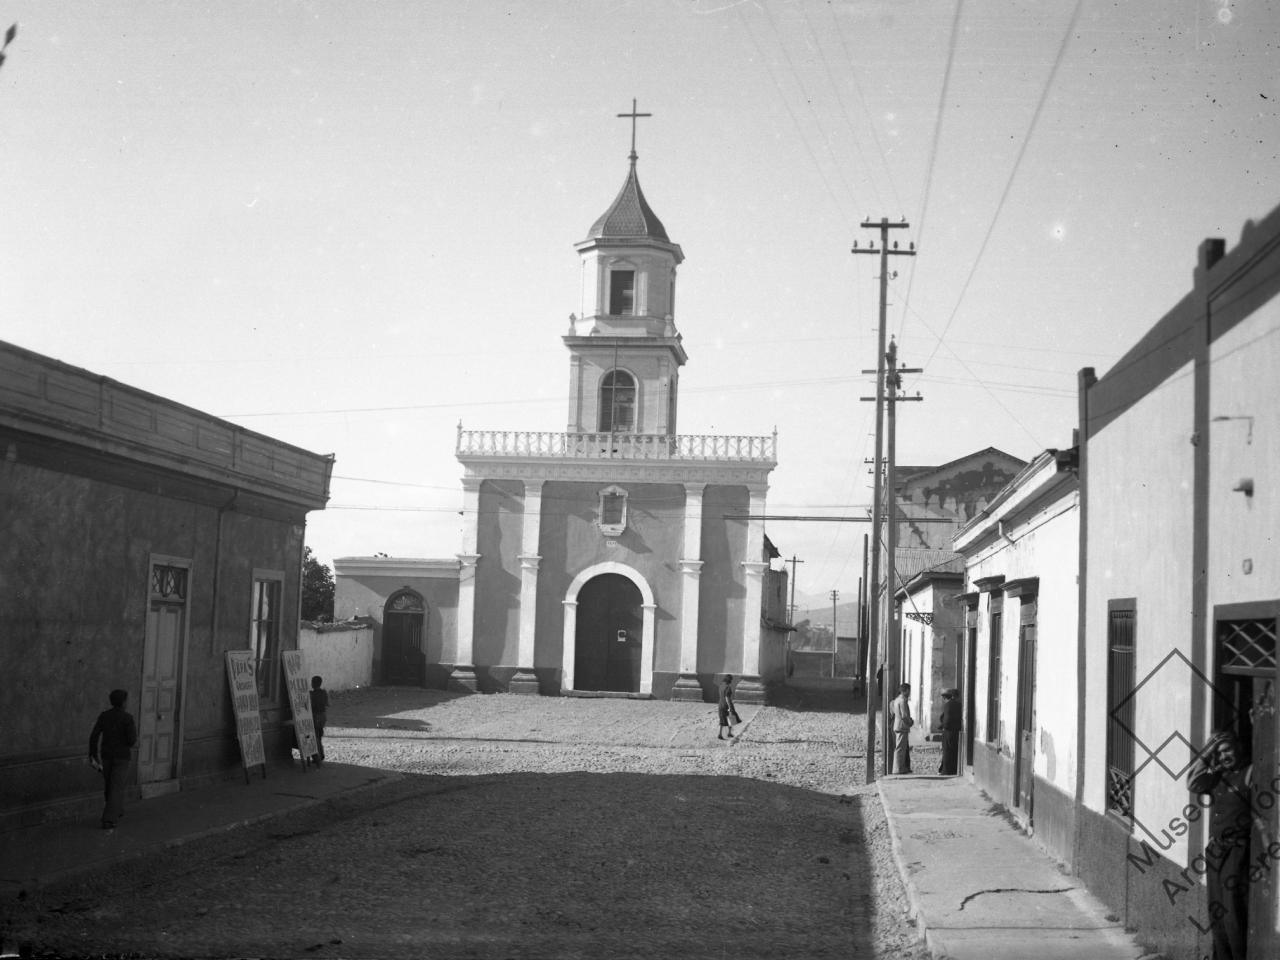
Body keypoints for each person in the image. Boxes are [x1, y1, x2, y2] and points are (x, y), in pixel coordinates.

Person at [1187, 731, 1260, 960]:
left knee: (1233, 914)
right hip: (1216, 850)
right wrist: (1208, 752)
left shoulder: (1250, 772)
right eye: (1219, 752)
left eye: (1227, 749)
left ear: (1238, 747)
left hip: (1237, 851)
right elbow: (1193, 782)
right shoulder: (1218, 776)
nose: (1224, 755)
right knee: (1216, 911)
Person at [88, 689, 137, 830]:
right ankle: (109, 820)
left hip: (106, 756)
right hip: (122, 757)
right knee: (116, 786)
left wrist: (93, 755)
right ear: (123, 702)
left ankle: (117, 810)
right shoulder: (128, 718)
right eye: (126, 700)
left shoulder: (104, 716)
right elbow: (132, 740)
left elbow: (94, 736)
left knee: (110, 785)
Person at [889, 682, 913, 774]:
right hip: (902, 727)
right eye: (909, 691)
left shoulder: (897, 699)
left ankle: (900, 767)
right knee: (900, 749)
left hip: (898, 726)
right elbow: (904, 716)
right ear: (906, 690)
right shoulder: (902, 701)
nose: (909, 692)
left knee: (900, 748)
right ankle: (898, 768)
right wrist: (910, 722)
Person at [939, 688, 962, 775]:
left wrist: (943, 726)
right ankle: (953, 769)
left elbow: (946, 719)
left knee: (947, 751)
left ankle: (947, 770)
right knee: (953, 750)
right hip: (956, 731)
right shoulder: (959, 704)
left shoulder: (948, 705)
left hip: (948, 731)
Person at [310, 675, 329, 766]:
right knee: (319, 735)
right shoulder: (324, 692)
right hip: (323, 716)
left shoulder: (312, 694)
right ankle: (320, 755)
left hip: (315, 716)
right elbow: (327, 704)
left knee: (315, 736)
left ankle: (317, 756)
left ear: (313, 684)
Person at [717, 674, 740, 740]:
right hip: (726, 705)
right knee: (731, 718)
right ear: (729, 680)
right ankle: (728, 733)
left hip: (720, 704)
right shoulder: (728, 687)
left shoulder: (721, 686)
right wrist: (730, 707)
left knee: (722, 720)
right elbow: (727, 697)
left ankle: (720, 734)